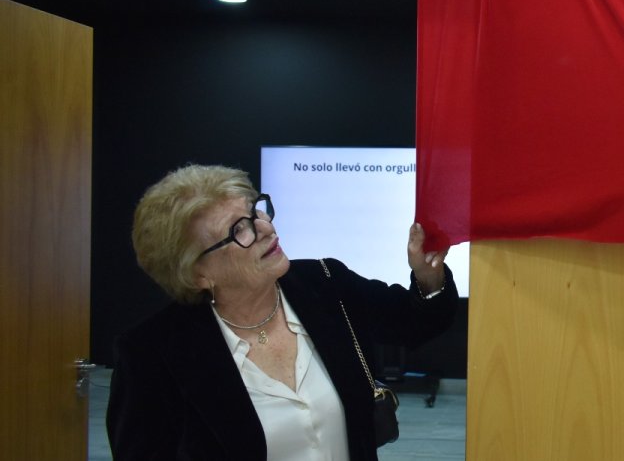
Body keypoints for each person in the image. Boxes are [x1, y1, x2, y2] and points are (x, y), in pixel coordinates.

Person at [106, 164, 457, 460]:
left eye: (255, 210)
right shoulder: (151, 355)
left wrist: (428, 274)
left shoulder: (324, 282)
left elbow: (417, 322)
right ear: (197, 273)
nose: (266, 228)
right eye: (238, 230)